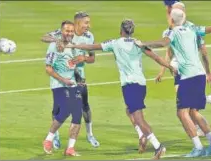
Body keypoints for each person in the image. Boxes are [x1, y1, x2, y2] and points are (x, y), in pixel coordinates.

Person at [65, 19, 177, 159]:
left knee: (139, 118)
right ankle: (141, 134)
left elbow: (92, 46)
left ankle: (157, 146)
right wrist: (170, 67)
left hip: (130, 85)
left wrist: (73, 45)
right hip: (140, 84)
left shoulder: (115, 43)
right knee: (129, 110)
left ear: (121, 30)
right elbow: (155, 57)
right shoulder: (139, 43)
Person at [135, 9, 211, 157]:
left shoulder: (172, 32)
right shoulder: (193, 28)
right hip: (199, 74)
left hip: (188, 77)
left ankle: (198, 147)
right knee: (193, 112)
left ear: (171, 21)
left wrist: (142, 43)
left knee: (182, 112)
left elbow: (162, 43)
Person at [41, 11, 99, 148]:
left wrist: (84, 58)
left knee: (84, 107)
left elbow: (92, 58)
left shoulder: (89, 36)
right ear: (78, 23)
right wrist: (57, 40)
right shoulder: (64, 33)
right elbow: (44, 37)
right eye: (86, 22)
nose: (89, 25)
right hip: (63, 77)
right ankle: (55, 136)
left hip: (80, 78)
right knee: (58, 107)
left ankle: (90, 135)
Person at [156, 1, 211, 137]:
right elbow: (169, 51)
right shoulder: (173, 28)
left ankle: (198, 139)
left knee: (184, 109)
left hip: (188, 72)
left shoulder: (192, 28)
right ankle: (203, 135)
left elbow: (203, 50)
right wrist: (162, 70)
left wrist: (209, 72)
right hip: (180, 69)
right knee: (188, 107)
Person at [42, 20, 83, 156]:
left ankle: (70, 148)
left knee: (77, 115)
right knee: (65, 111)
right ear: (61, 31)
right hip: (59, 85)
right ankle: (48, 139)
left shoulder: (73, 46)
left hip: (73, 84)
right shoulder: (54, 46)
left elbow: (73, 65)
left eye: (71, 31)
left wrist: (79, 79)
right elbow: (48, 68)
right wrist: (63, 79)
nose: (69, 33)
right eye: (67, 31)